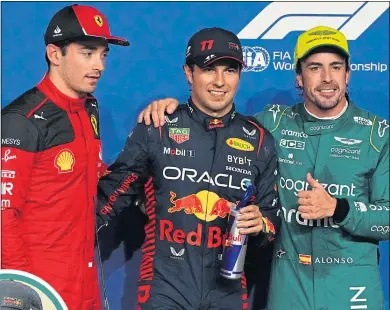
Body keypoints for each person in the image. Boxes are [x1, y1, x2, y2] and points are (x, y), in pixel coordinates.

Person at [137, 25, 390, 309]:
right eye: (315, 67)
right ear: (299, 76)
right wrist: (174, 111)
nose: (327, 78)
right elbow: (217, 122)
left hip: (353, 285)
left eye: (336, 67)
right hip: (289, 284)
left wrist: (339, 208)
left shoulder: (377, 134)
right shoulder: (272, 124)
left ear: (348, 74)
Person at [96, 27, 280, 310]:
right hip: (165, 288)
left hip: (228, 290)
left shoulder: (258, 140)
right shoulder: (158, 127)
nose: (220, 81)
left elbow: (271, 223)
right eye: (209, 69)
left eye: (229, 70)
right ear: (189, 73)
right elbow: (108, 198)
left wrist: (262, 223)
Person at [1, 4, 129, 310]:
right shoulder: (21, 119)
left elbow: (91, 173)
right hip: (40, 287)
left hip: (85, 281)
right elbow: (4, 216)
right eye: (87, 53)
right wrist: (22, 291)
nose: (99, 65)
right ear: (54, 54)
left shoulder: (90, 108)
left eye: (103, 54)